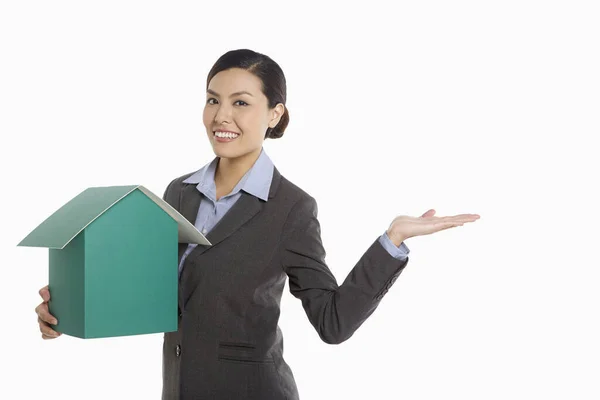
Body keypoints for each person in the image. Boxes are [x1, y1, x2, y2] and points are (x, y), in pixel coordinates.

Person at [35, 49, 480, 399]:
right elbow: (159, 297)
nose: (221, 116)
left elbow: (333, 322)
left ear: (274, 115)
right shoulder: (178, 193)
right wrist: (72, 309)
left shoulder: (292, 208)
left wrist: (392, 241)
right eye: (213, 100)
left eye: (241, 103)